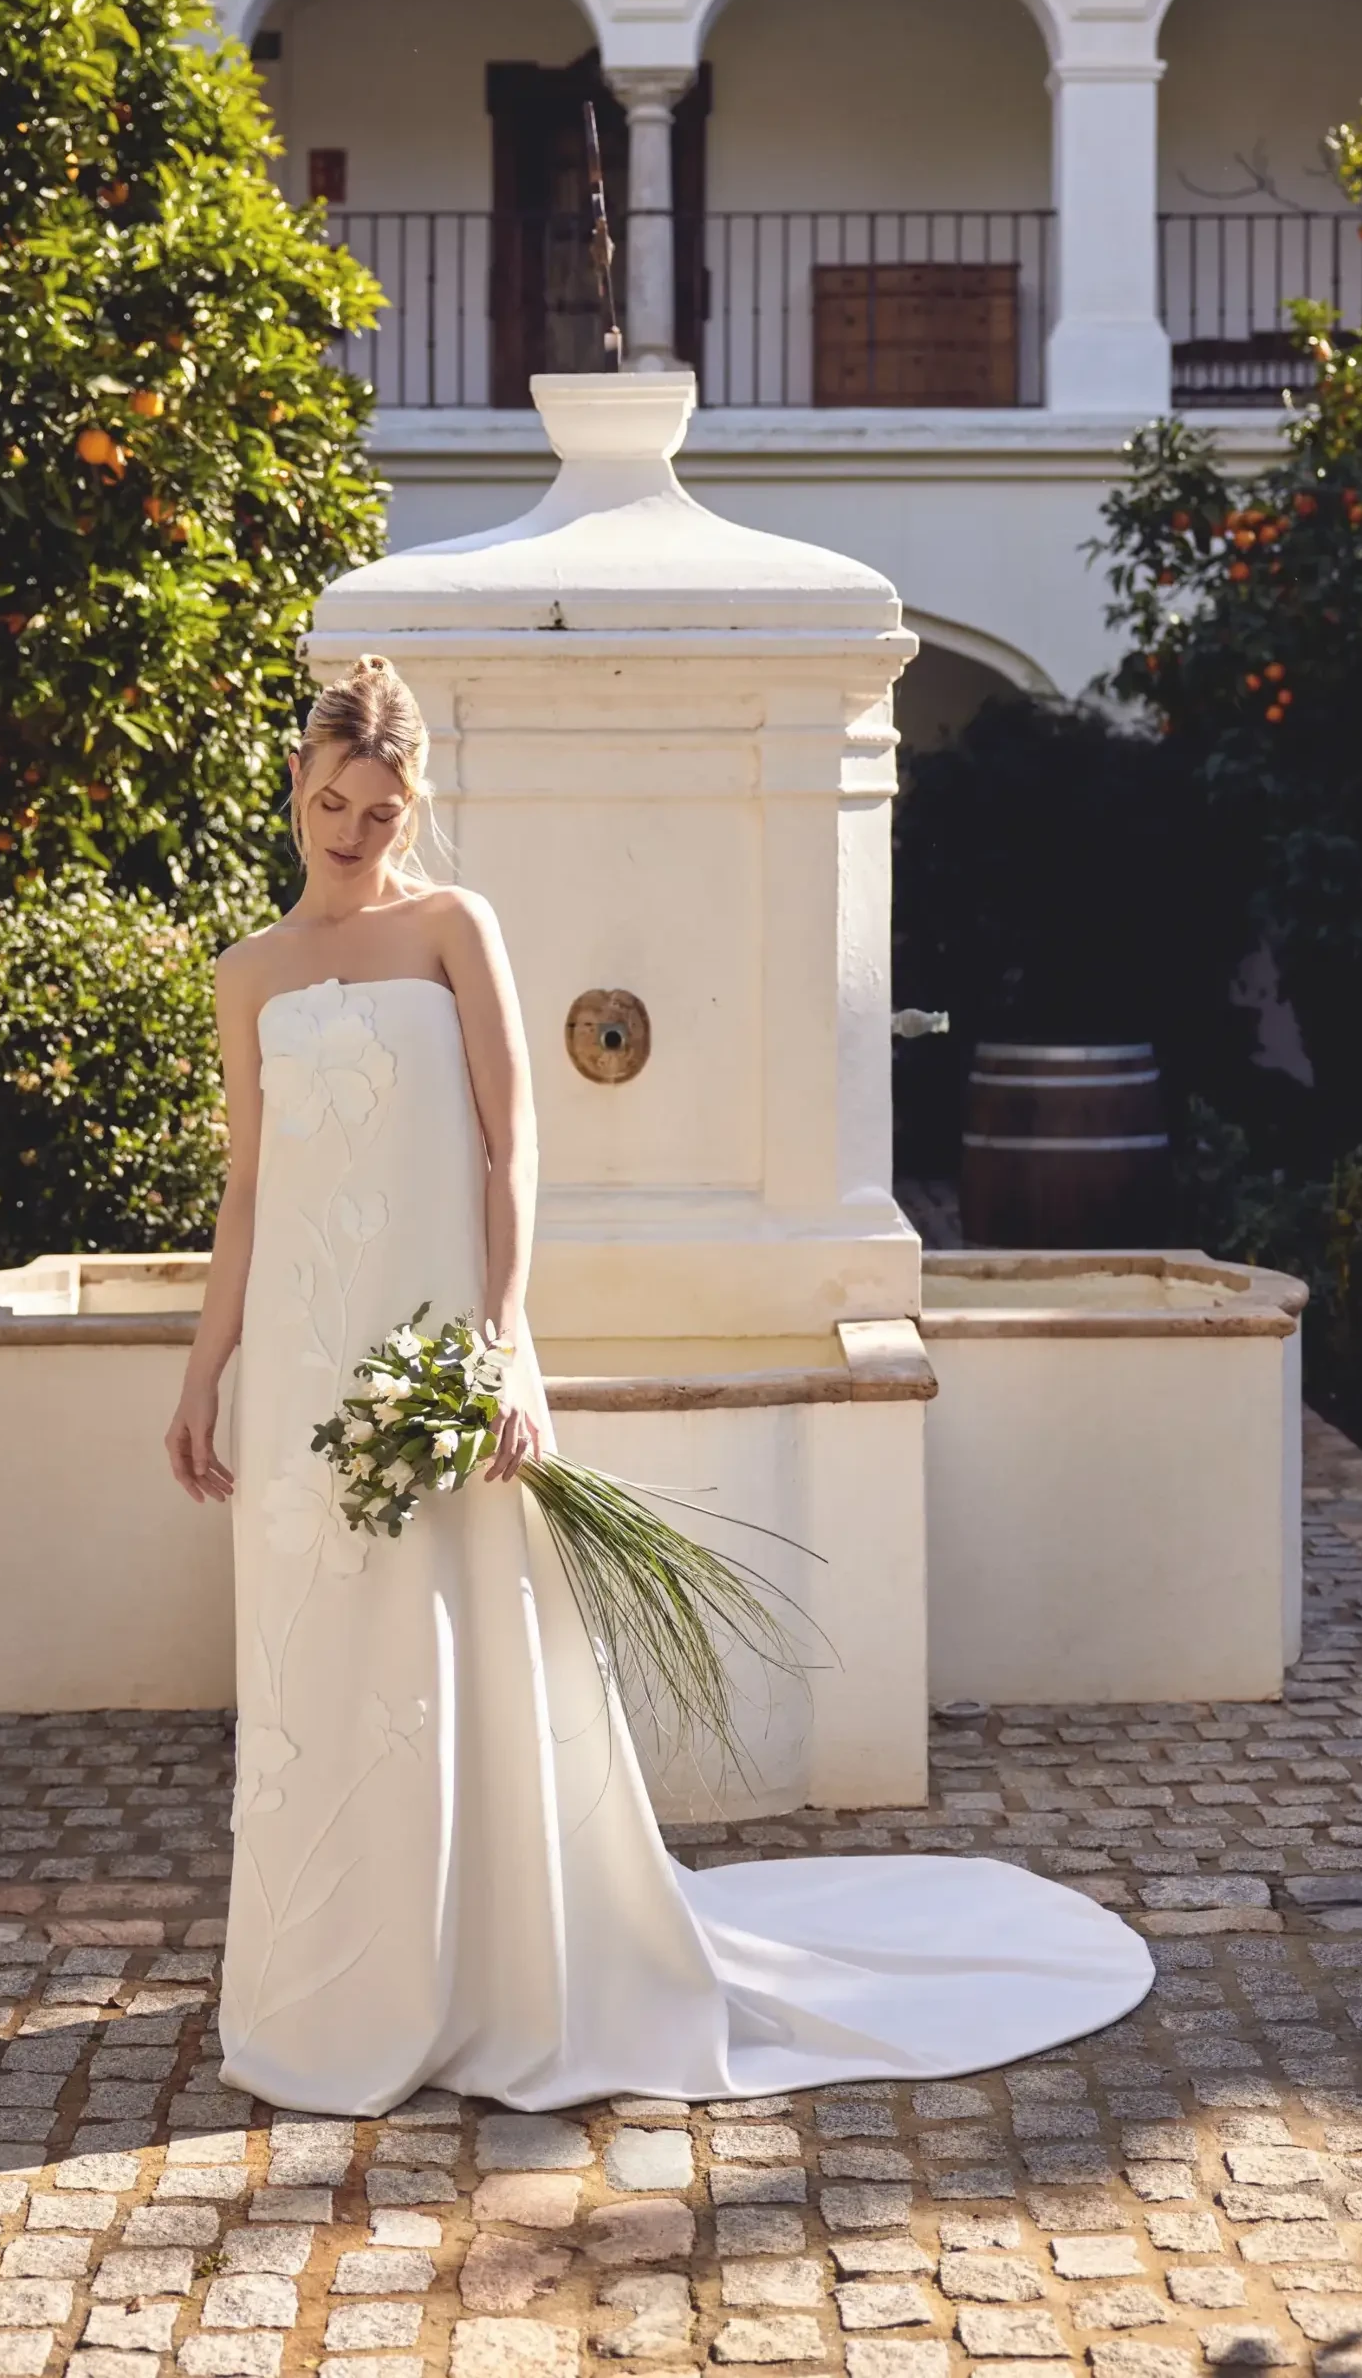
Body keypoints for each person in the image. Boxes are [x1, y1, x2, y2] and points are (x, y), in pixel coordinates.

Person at [166, 653, 1153, 2114]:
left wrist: (501, 1339)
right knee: (320, 1672)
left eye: (378, 809)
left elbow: (517, 1147)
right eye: (329, 802)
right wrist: (205, 1374)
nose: (352, 833)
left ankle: (481, 1979)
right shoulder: (246, 971)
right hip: (304, 1377)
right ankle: (329, 1994)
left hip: (438, 1350)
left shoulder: (453, 926)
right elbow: (251, 1188)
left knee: (451, 1664)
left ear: (411, 803)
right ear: (294, 787)